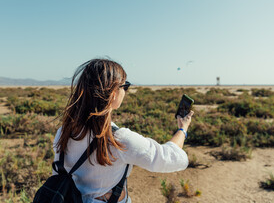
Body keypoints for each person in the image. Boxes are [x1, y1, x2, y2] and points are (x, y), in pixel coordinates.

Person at [53, 58, 194, 203]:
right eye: (125, 86)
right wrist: (183, 129)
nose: (125, 91)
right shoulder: (119, 140)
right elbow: (170, 157)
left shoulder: (64, 132)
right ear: (113, 93)